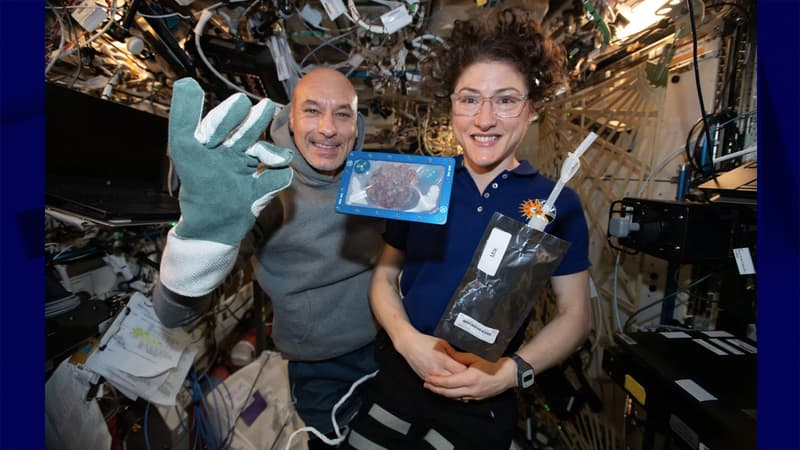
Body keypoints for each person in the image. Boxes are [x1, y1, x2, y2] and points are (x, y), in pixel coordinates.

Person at [344, 8, 592, 450]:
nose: (485, 119)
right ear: (452, 106)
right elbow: (383, 277)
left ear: (531, 108)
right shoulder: (418, 183)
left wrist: (510, 373)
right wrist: (407, 341)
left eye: (506, 99)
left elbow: (575, 316)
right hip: (401, 376)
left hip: (484, 396)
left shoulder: (558, 204)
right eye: (470, 98)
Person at [152, 67, 383, 447]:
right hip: (320, 364)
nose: (328, 128)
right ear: (289, 119)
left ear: (356, 125)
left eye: (342, 114)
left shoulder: (373, 176)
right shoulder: (261, 190)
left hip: (388, 342)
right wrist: (198, 243)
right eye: (312, 111)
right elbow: (172, 314)